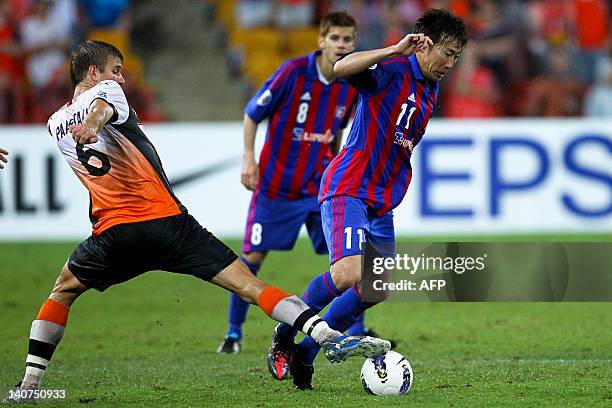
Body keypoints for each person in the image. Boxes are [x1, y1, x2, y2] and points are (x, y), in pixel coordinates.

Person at [3, 40, 390, 403]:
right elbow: (101, 108)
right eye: (115, 70)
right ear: (92, 73)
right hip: (169, 225)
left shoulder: (54, 124)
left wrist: (89, 127)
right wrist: (95, 123)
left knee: (62, 292)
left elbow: (90, 118)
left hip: (113, 235)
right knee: (249, 285)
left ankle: (31, 385)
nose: (121, 78)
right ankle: (323, 333)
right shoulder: (106, 95)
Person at [267, 9, 468, 390]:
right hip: (349, 188)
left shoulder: (430, 89)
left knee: (376, 287)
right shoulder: (394, 70)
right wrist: (395, 49)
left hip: (380, 201)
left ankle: (305, 355)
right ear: (423, 44)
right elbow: (341, 67)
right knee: (348, 273)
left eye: (456, 56)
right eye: (446, 52)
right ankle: (284, 328)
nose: (450, 62)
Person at [218, 11, 360, 358]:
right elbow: (253, 113)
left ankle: (353, 330)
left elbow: (338, 128)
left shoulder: (350, 83)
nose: (341, 45)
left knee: (346, 262)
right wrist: (248, 158)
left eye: (348, 40)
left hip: (318, 189)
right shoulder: (292, 73)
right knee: (251, 258)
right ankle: (234, 333)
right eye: (336, 38)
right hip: (277, 188)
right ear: (321, 40)